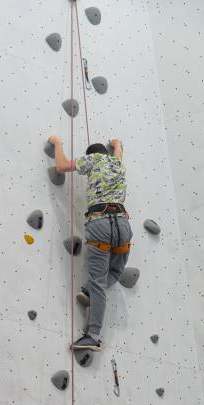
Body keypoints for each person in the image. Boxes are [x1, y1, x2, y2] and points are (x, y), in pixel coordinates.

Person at [48, 135, 132, 353]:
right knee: (115, 272)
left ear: (92, 156)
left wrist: (58, 143)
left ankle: (93, 335)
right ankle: (89, 290)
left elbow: (61, 165)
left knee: (98, 282)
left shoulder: (92, 159)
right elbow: (119, 152)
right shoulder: (117, 163)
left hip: (100, 224)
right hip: (123, 225)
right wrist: (117, 144)